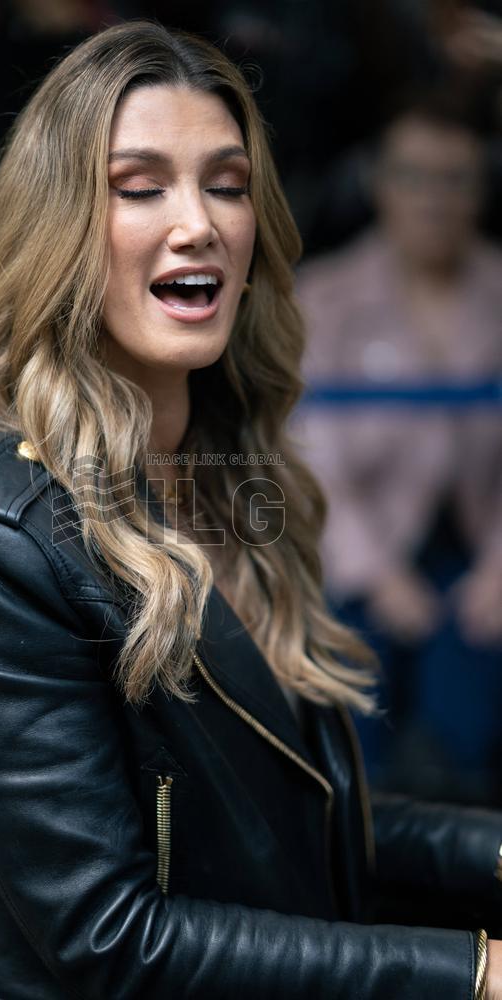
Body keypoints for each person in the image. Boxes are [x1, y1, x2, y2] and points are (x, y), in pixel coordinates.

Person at [0, 20, 502, 999]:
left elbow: (303, 819)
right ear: (60, 229)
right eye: (140, 187)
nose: (199, 222)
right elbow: (110, 937)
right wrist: (474, 970)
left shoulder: (232, 477)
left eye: (226, 182)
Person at [295, 94, 502, 803]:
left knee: (470, 726)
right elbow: (309, 455)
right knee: (354, 721)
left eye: (456, 179)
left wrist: (500, 570)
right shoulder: (325, 296)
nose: (434, 200)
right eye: (415, 176)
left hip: (478, 555)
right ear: (380, 182)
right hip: (355, 557)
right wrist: (379, 575)